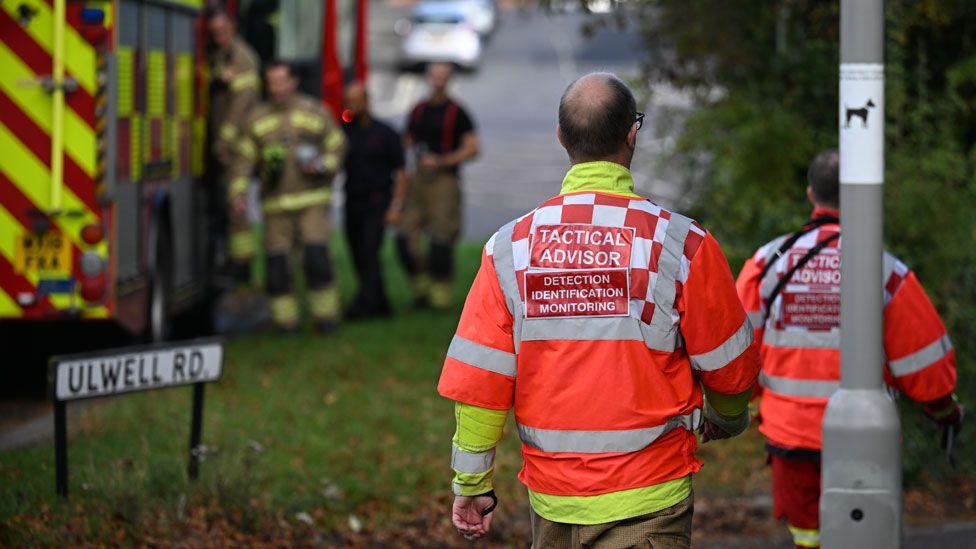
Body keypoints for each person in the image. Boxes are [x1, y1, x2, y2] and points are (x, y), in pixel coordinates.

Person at [437, 73, 761, 547]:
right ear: (633, 133)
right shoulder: (680, 244)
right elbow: (730, 366)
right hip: (650, 497)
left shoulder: (509, 249)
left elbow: (480, 381)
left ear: (561, 136)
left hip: (553, 504)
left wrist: (472, 484)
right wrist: (728, 419)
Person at [735, 149, 963, 549]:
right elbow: (925, 365)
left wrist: (755, 404)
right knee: (865, 536)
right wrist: (945, 411)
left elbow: (736, 352)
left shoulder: (767, 262)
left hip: (791, 434)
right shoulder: (884, 268)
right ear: (862, 197)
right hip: (865, 436)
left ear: (811, 194)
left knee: (808, 536)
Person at [229, 61, 346, 333]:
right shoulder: (256, 119)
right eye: (271, 82)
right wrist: (238, 192)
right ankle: (286, 325)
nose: (277, 88)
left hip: (312, 202)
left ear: (293, 82)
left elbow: (337, 146)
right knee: (277, 268)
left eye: (282, 81)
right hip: (275, 206)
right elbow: (243, 160)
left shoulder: (314, 111)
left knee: (317, 261)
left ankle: (326, 320)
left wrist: (321, 166)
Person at [397, 62, 479, 309]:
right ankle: (420, 290)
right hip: (418, 178)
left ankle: (440, 299)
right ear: (428, 78)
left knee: (441, 241)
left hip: (444, 180)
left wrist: (442, 161)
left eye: (443, 76)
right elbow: (407, 139)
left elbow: (472, 148)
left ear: (449, 80)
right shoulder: (418, 109)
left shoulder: (458, 112)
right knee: (404, 237)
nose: (438, 81)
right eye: (435, 76)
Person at [341, 82, 408, 318]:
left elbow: (401, 173)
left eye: (355, 101)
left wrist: (396, 206)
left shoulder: (385, 133)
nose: (351, 106)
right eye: (348, 101)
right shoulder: (344, 131)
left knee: (369, 251)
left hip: (377, 203)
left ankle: (364, 305)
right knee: (357, 252)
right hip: (352, 202)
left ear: (367, 101)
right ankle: (381, 303)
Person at [207, 9, 261, 281]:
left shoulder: (242, 58)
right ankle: (232, 261)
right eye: (214, 33)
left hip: (237, 146)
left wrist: (225, 139)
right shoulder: (219, 55)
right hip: (222, 144)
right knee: (223, 202)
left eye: (223, 31)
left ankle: (242, 267)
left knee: (234, 202)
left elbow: (241, 105)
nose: (219, 37)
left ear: (233, 27)